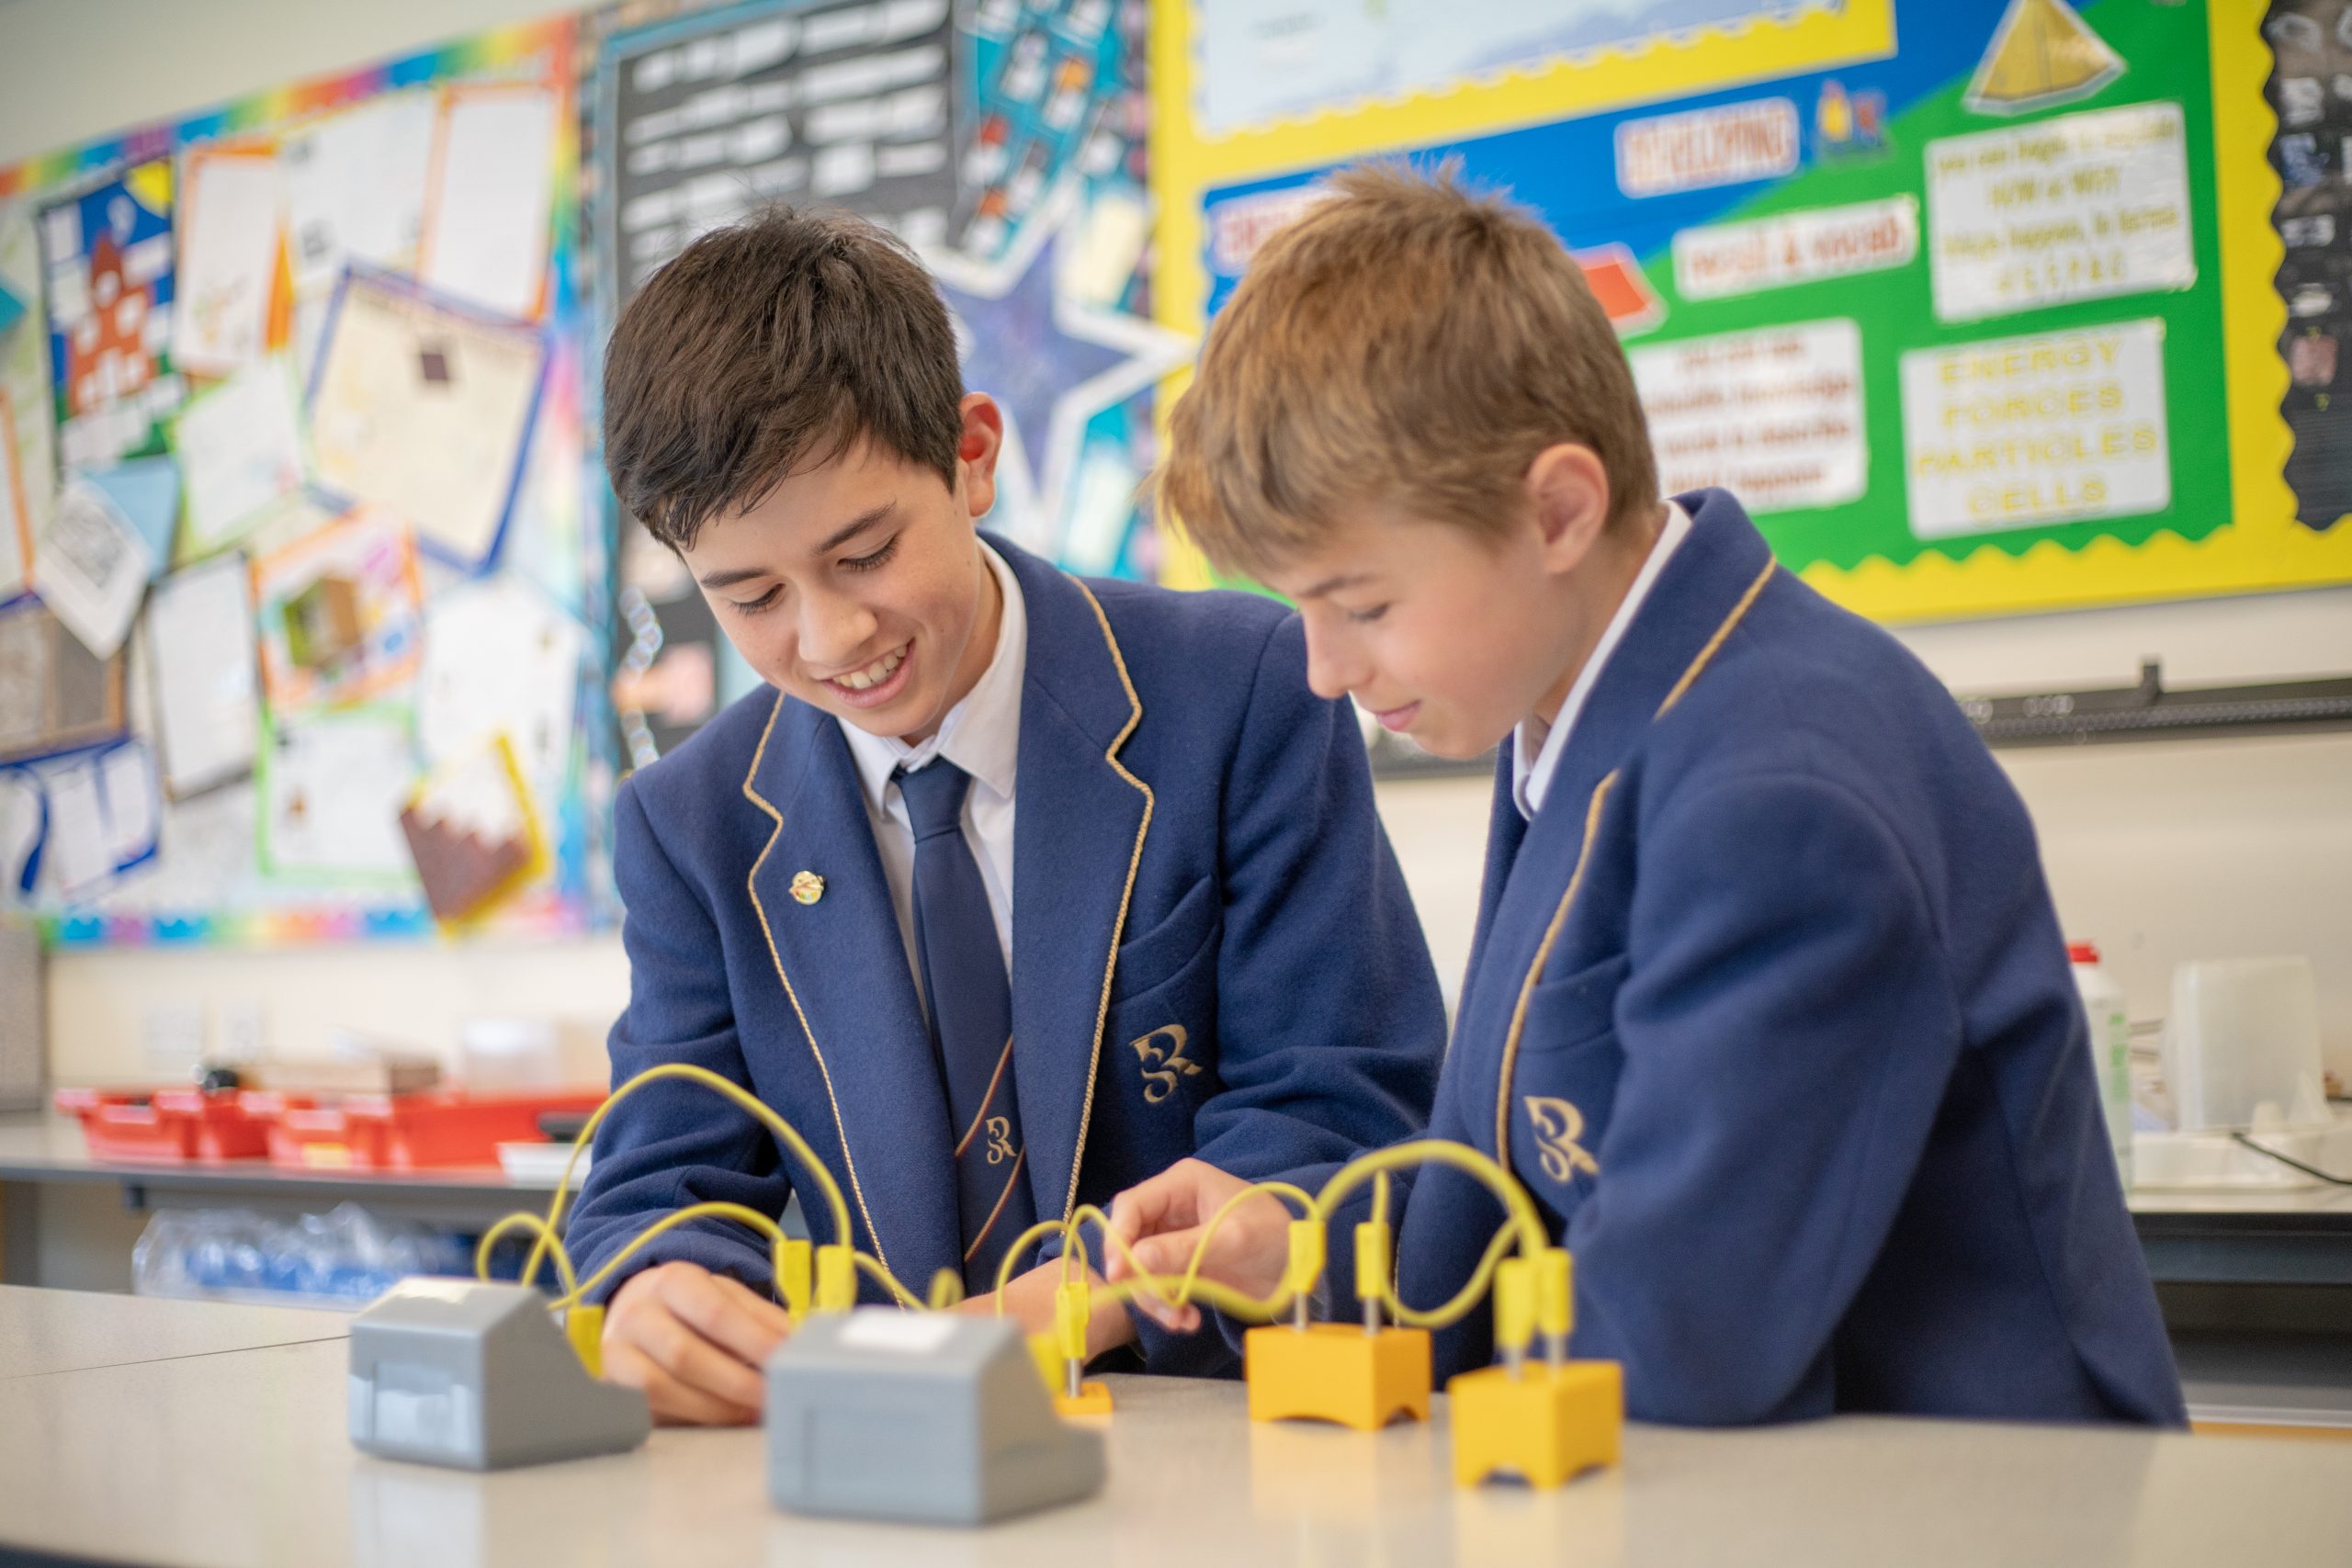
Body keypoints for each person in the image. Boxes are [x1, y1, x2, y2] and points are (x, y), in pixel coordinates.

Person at [1106, 164, 2185, 1427]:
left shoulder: (1773, 792)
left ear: (1557, 509)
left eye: (1363, 606)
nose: (1324, 669)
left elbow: (1682, 1331)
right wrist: (1298, 1247)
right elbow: (1503, 1199)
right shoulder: (1579, 711)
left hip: (1964, 1498)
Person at [568, 204, 1445, 1425]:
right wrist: (653, 1288)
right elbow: (658, 1178)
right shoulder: (692, 823)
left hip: (1214, 1440)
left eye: (866, 553)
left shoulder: (1238, 689)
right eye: (754, 596)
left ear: (972, 455)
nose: (831, 638)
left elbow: (1346, 1107)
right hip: (888, 1458)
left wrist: (1089, 1300)